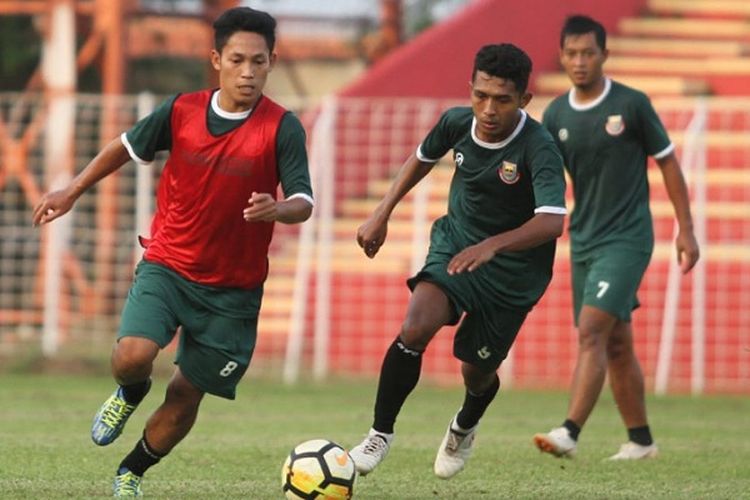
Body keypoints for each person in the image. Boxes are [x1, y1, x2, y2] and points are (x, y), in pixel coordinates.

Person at [32, 7, 313, 497]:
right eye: (238, 60)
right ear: (217, 59)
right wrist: (72, 189)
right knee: (132, 355)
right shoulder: (182, 110)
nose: (249, 72)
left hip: (233, 290)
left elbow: (305, 202)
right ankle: (131, 391)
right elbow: (125, 145)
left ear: (271, 63)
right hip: (170, 265)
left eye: (259, 62)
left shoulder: (281, 127)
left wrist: (279, 208)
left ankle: (130, 473)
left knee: (185, 394)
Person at [348, 43, 567, 480]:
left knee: (476, 369)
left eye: (502, 100)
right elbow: (421, 159)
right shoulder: (455, 122)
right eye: (480, 95)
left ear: (524, 100)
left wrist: (495, 246)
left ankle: (464, 424)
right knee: (415, 326)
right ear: (470, 89)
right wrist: (381, 212)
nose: (488, 109)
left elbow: (552, 222)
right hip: (457, 244)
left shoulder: (538, 146)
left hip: (513, 272)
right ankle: (379, 434)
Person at [533, 15, 700, 461]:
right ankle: (641, 441)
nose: (580, 61)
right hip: (584, 238)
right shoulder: (556, 115)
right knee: (617, 341)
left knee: (591, 332)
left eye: (589, 53)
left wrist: (686, 227)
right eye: (571, 53)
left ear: (605, 55)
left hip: (628, 239)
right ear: (562, 56)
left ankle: (569, 431)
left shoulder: (631, 105)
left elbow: (667, 162)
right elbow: (542, 175)